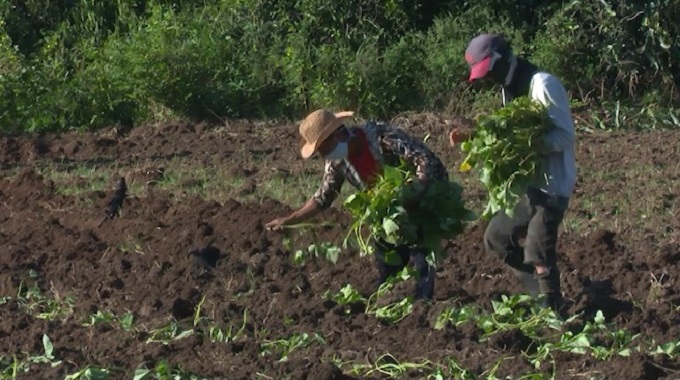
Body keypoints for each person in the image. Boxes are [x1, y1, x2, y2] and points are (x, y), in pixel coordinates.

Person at [450, 34, 577, 313]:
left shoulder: (542, 83)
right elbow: (509, 132)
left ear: (502, 58)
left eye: (488, 71)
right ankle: (539, 297)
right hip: (527, 184)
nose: (487, 79)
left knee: (537, 249)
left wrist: (533, 144)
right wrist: (474, 137)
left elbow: (566, 135)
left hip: (552, 184)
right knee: (495, 238)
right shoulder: (507, 90)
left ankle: (554, 311)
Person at [266, 109, 450, 300]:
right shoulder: (337, 161)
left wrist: (411, 190)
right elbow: (323, 198)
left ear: (337, 135)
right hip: (388, 210)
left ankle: (423, 302)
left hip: (424, 195)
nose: (323, 155)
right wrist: (289, 220)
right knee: (386, 255)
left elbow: (424, 160)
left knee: (422, 251)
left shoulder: (381, 137)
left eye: (323, 148)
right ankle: (386, 302)